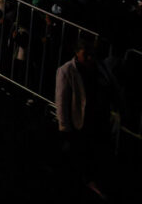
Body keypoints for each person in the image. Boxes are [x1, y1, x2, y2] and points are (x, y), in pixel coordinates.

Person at [56, 37, 112, 200]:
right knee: (76, 156)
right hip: (78, 122)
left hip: (93, 119)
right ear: (77, 54)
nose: (89, 58)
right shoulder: (67, 70)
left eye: (90, 55)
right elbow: (62, 100)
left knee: (88, 155)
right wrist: (64, 127)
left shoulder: (98, 68)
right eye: (85, 54)